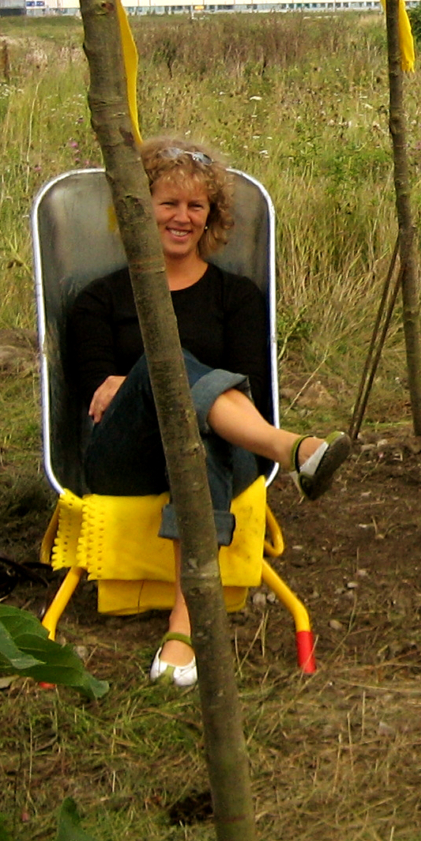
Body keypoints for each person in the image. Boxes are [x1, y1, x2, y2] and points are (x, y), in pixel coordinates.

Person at [68, 138, 350, 688]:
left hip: (223, 449)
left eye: (195, 206)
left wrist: (178, 399)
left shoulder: (236, 297)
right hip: (124, 457)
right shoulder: (98, 300)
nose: (181, 216)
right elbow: (99, 398)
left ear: (211, 217)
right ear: (139, 209)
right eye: (167, 202)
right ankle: (293, 450)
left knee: (205, 425)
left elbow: (251, 392)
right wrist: (143, 380)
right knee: (162, 366)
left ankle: (185, 622)